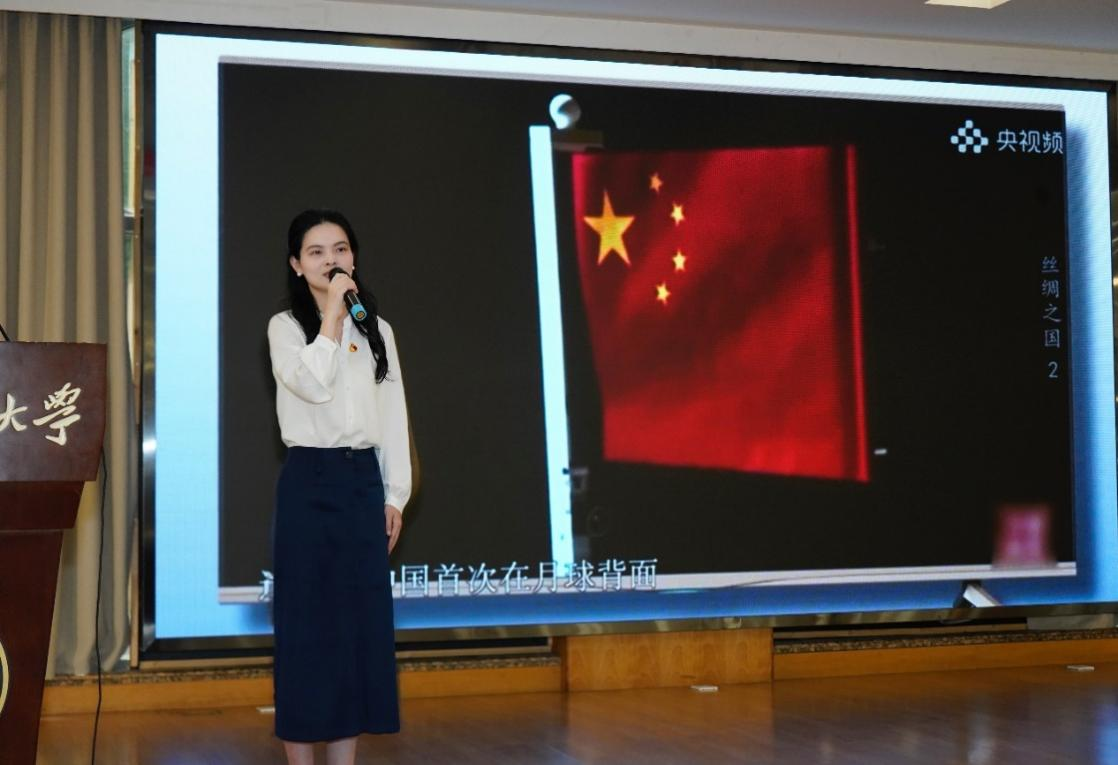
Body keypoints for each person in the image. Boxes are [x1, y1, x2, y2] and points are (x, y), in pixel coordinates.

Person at [267, 209, 411, 765]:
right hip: (309, 481)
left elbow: (393, 414)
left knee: (356, 628)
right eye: (317, 252)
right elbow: (311, 383)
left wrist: (394, 494)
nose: (332, 260)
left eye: (341, 249)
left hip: (361, 483)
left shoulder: (378, 330)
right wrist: (330, 316)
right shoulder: (285, 328)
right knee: (305, 629)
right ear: (296, 265)